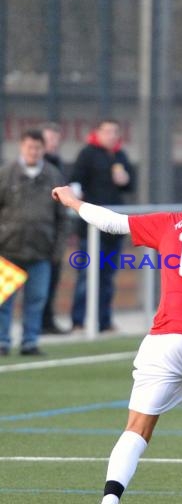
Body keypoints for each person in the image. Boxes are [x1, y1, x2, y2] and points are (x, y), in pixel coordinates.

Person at [51, 159, 182, 504]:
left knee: (137, 428)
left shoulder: (171, 222)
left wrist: (74, 203)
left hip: (165, 339)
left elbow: (111, 221)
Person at [0, 129, 67, 356]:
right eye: (29, 147)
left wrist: (57, 250)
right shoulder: (6, 174)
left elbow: (61, 217)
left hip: (41, 251)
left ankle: (30, 342)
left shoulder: (53, 175)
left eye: (37, 148)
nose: (33, 151)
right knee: (4, 301)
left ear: (43, 149)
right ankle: (2, 341)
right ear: (22, 147)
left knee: (37, 299)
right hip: (9, 249)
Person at [69, 119, 135, 332]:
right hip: (91, 227)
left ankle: (104, 321)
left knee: (107, 276)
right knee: (87, 275)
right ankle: (79, 322)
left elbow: (130, 184)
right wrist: (77, 201)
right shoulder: (88, 153)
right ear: (98, 133)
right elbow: (75, 180)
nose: (111, 135)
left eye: (115, 131)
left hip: (112, 229)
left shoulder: (120, 155)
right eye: (107, 131)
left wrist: (124, 179)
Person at [40, 122, 68, 334]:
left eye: (55, 139)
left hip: (50, 234)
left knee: (49, 282)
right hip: (21, 237)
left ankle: (45, 321)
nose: (53, 143)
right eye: (48, 139)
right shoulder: (24, 169)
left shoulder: (58, 165)